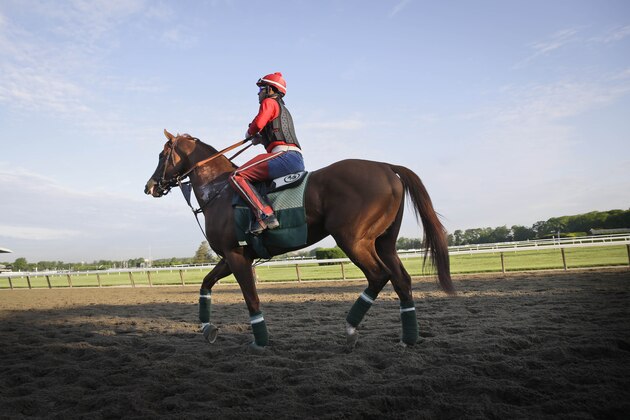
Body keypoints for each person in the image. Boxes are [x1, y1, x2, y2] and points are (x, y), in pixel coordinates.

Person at [229, 72, 304, 235]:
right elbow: (272, 133)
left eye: (261, 89)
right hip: (294, 158)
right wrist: (261, 139)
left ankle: (265, 214)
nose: (259, 93)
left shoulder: (269, 102)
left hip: (284, 156)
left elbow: (258, 124)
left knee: (237, 176)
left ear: (270, 89)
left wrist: (250, 132)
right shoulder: (283, 109)